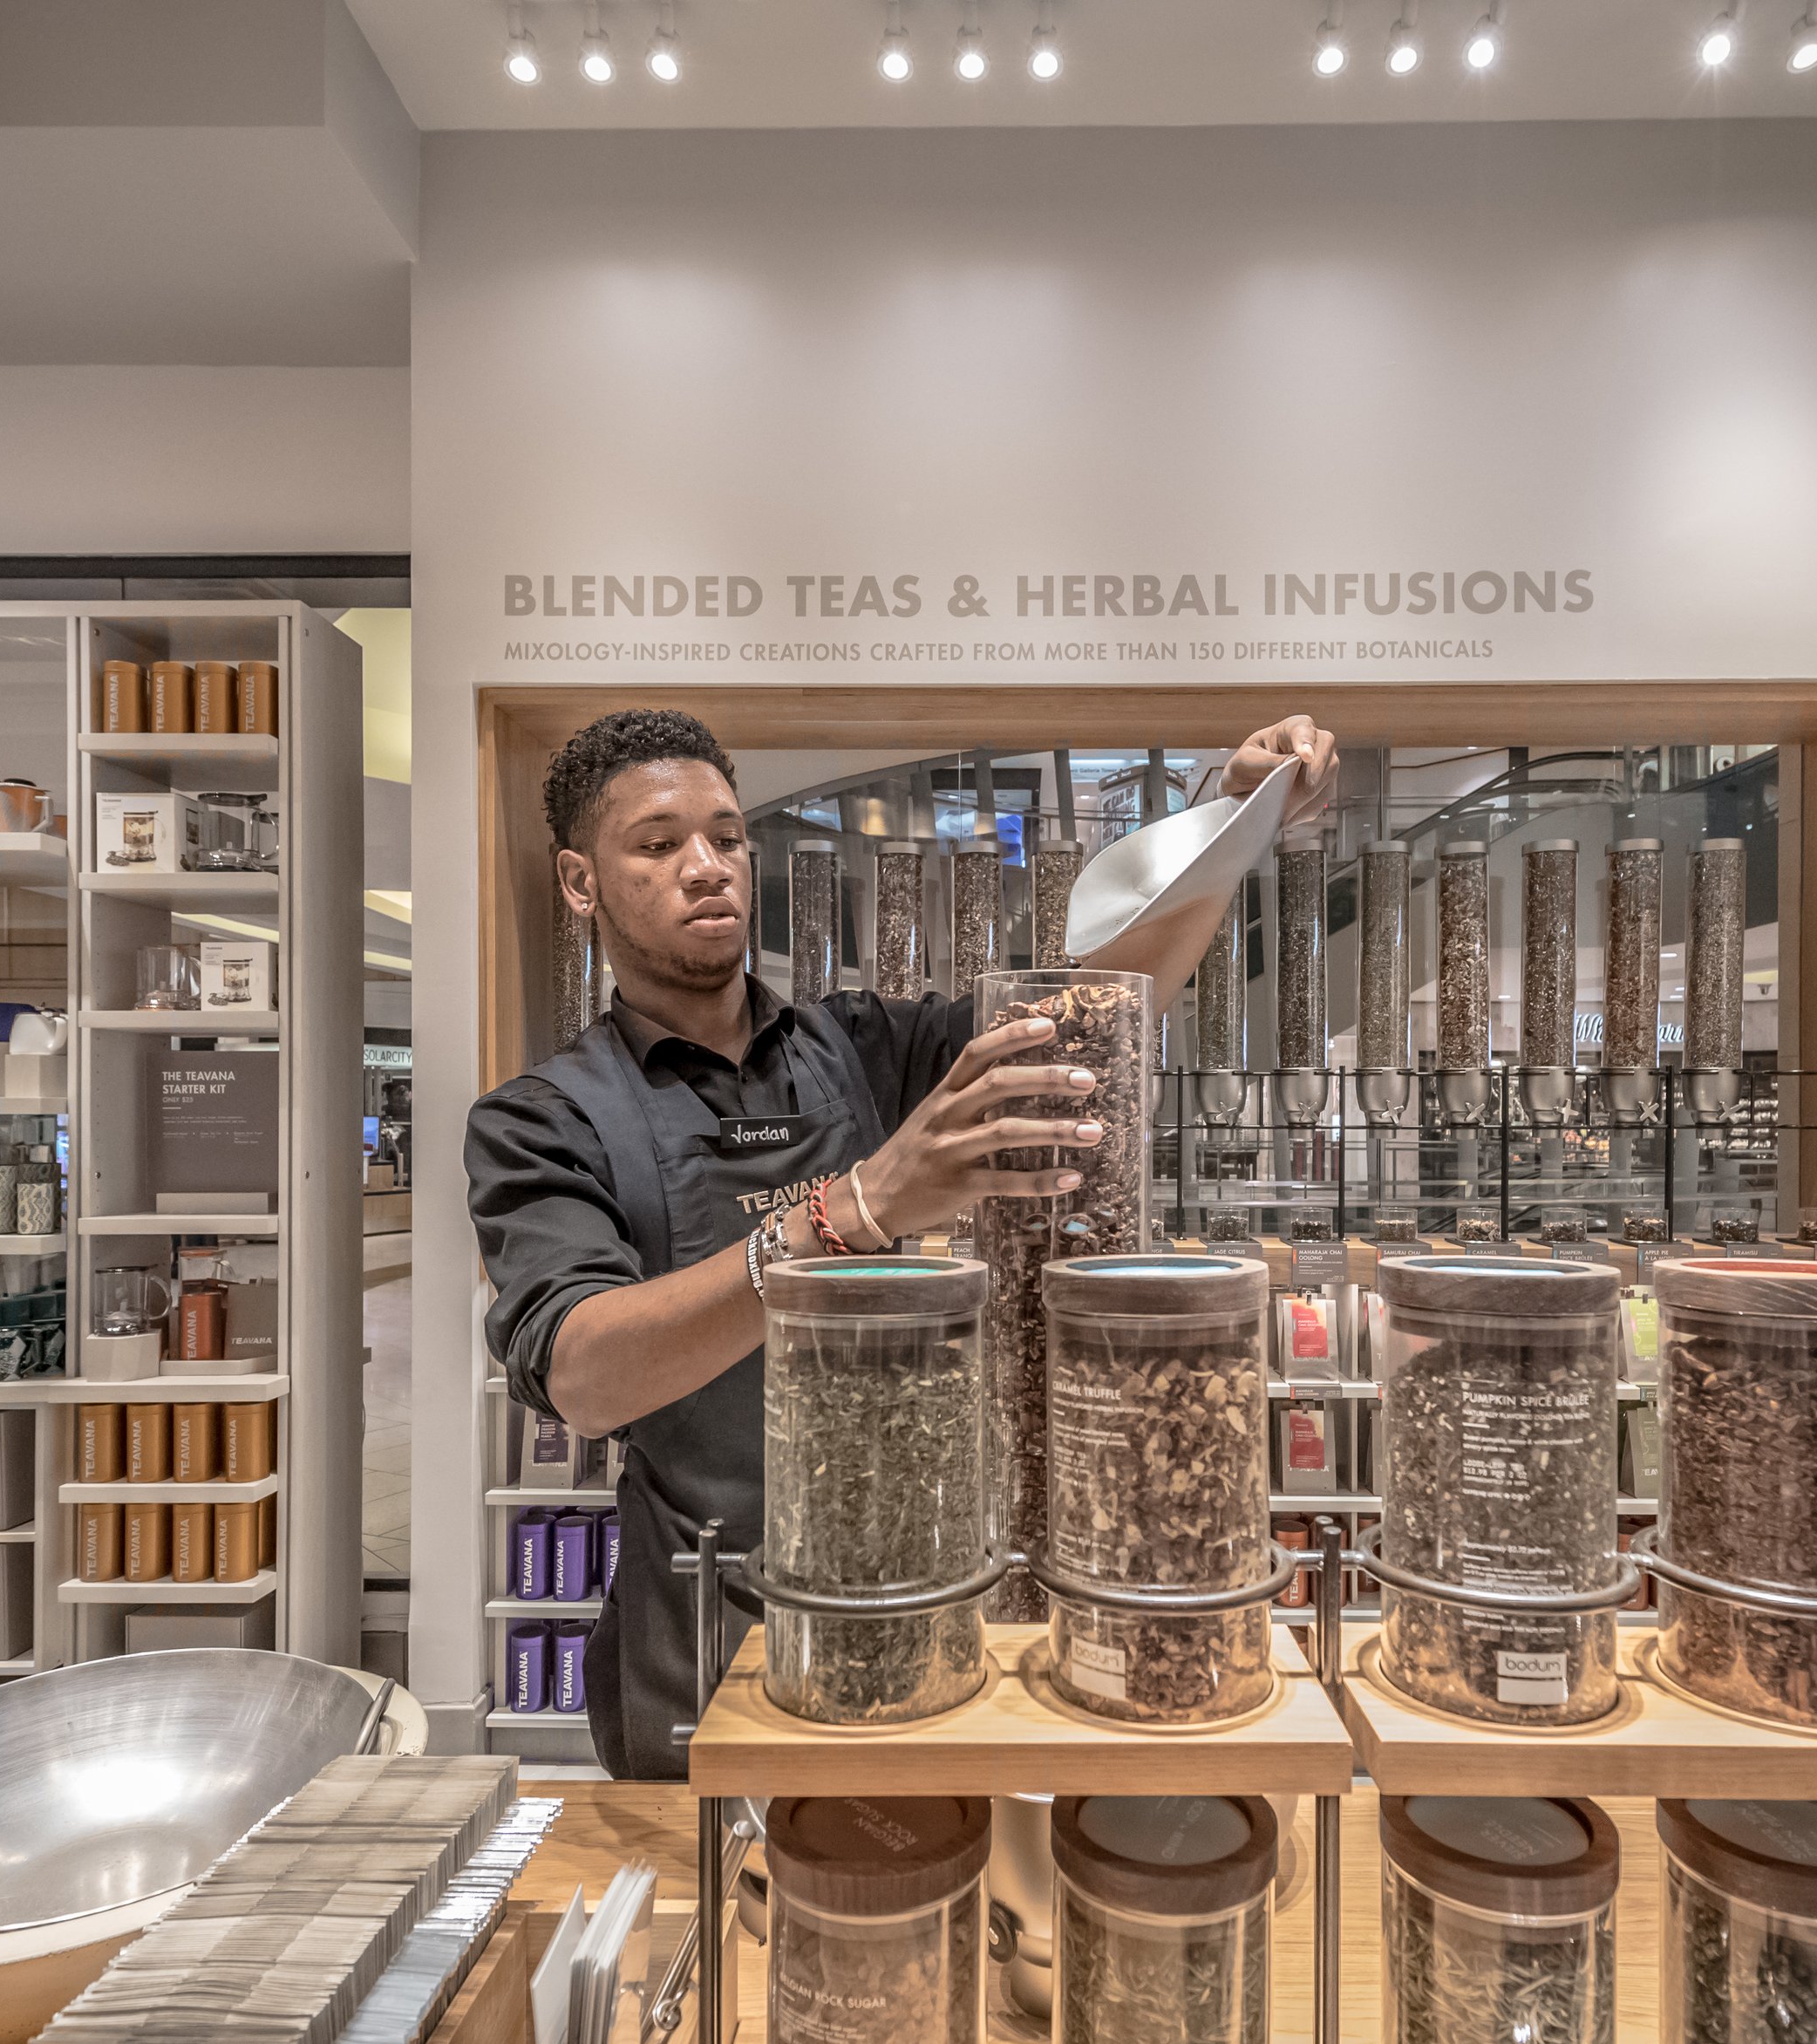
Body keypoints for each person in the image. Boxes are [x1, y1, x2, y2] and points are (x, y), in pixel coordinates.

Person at [466, 707, 1337, 1775]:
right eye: (658, 844)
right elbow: (587, 1371)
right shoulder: (542, 1119)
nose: (707, 868)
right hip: (706, 1634)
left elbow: (1103, 1003)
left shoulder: (862, 1048)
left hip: (924, 1603)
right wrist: (855, 1208)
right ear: (579, 881)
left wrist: (1228, 818)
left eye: (729, 838)